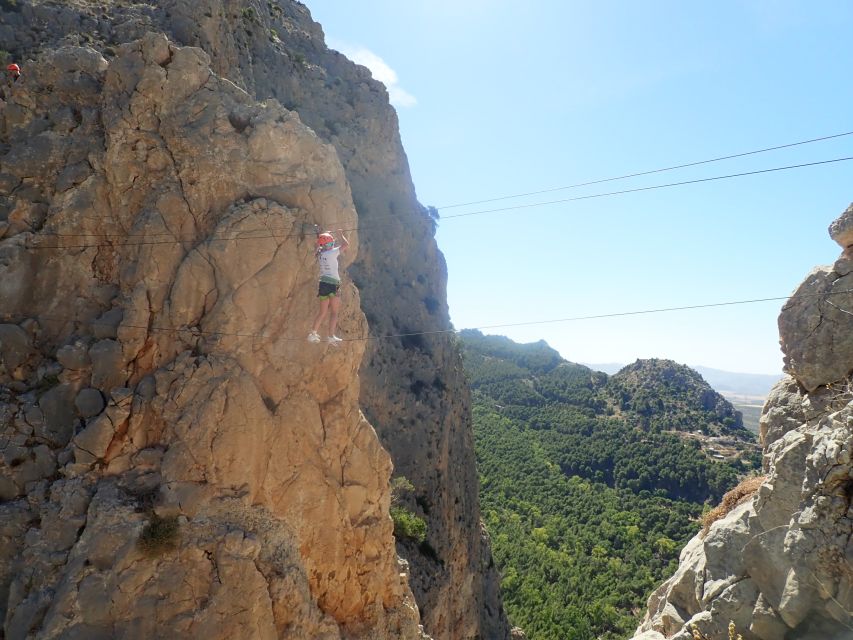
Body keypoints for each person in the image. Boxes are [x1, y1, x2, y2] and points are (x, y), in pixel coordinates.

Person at [308, 229, 349, 346]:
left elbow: (319, 245)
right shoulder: (332, 252)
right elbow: (346, 245)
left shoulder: (320, 253)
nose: (333, 244)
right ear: (329, 244)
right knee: (334, 312)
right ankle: (331, 336)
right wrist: (341, 234)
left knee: (322, 312)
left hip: (323, 284)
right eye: (331, 243)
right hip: (333, 284)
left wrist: (325, 235)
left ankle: (313, 333)